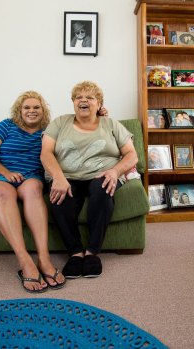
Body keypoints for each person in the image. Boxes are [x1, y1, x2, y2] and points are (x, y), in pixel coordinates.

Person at [40, 81, 138, 279]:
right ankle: (75, 253)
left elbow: (131, 155)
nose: (83, 100)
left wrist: (115, 172)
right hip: (67, 176)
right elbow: (46, 153)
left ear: (99, 102)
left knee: (102, 188)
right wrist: (58, 177)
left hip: (102, 173)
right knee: (60, 198)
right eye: (78, 97)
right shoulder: (60, 123)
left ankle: (92, 252)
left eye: (89, 97)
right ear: (73, 102)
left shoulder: (111, 124)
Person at [0, 90, 66, 293]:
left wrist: (100, 115)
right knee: (4, 194)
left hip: (30, 175)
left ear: (43, 110)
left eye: (36, 107)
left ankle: (44, 260)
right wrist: (6, 173)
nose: (32, 111)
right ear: (19, 110)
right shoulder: (7, 125)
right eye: (27, 107)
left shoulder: (49, 130)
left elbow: (78, 130)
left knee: (34, 189)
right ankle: (25, 261)